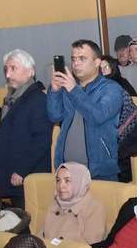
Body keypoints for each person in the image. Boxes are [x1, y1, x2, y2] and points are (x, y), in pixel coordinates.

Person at [46, 39, 128, 181]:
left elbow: (98, 116)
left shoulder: (111, 89)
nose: (76, 63)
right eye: (73, 59)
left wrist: (73, 90)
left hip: (99, 173)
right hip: (67, 172)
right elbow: (55, 116)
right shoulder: (69, 88)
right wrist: (55, 91)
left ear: (97, 63)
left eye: (82, 58)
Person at [0, 50, 50, 205]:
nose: (8, 75)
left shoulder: (38, 99)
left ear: (30, 71)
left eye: (13, 68)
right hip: (11, 173)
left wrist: (22, 170)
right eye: (6, 70)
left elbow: (42, 140)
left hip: (25, 176)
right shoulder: (13, 97)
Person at [37, 161, 108, 245]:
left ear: (80, 182)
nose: (61, 186)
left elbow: (90, 246)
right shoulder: (55, 204)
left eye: (67, 181)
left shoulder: (94, 209)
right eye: (58, 180)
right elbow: (40, 237)